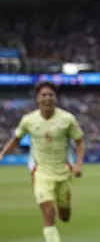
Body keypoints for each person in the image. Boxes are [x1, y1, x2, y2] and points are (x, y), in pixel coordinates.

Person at [0, 81, 85, 242]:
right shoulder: (29, 120)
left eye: (50, 95)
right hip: (41, 172)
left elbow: (80, 141)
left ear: (55, 98)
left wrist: (79, 163)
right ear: (37, 99)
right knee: (48, 211)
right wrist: (2, 153)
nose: (47, 98)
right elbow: (16, 139)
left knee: (65, 216)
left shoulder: (67, 119)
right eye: (43, 95)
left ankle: (64, 207)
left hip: (63, 172)